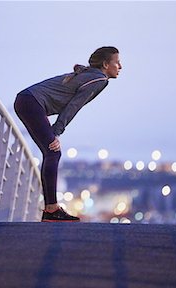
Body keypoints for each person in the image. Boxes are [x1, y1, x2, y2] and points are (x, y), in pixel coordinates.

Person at [14, 46, 122, 222]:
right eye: (117, 62)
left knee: (50, 153)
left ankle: (50, 209)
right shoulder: (100, 79)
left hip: (26, 101)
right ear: (105, 64)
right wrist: (56, 132)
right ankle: (51, 210)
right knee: (53, 152)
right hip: (31, 103)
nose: (120, 66)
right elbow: (73, 106)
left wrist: (55, 131)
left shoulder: (89, 75)